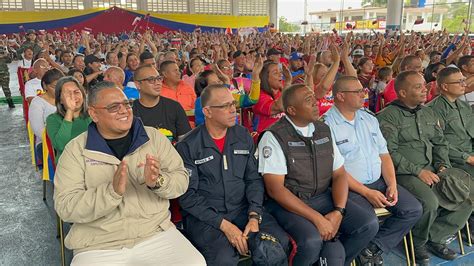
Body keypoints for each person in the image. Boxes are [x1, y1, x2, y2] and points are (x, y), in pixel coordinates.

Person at [53, 81, 205, 266]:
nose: (124, 110)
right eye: (113, 107)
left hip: (154, 233)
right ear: (94, 114)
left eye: (127, 104)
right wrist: (111, 192)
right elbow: (65, 207)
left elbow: (181, 180)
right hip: (97, 243)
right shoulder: (76, 150)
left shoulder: (153, 138)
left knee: (195, 262)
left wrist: (159, 181)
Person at [258, 83, 379, 266]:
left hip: (322, 196)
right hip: (290, 202)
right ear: (291, 109)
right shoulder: (274, 136)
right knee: (311, 241)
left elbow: (339, 174)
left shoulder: (323, 129)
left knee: (367, 224)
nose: (316, 103)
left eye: (314, 98)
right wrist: (318, 219)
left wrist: (339, 211)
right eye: (309, 100)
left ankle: (335, 257)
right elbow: (275, 190)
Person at [175, 84, 289, 265]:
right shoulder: (188, 146)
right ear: (207, 111)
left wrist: (254, 215)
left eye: (233, 104)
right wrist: (225, 226)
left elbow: (253, 179)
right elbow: (188, 197)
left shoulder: (242, 135)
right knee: (224, 258)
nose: (233, 110)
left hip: (243, 210)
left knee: (277, 243)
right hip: (207, 218)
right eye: (225, 106)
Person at [323, 76, 422, 265]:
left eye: (363, 90)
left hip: (379, 180)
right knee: (368, 223)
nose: (364, 94)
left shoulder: (369, 118)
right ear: (341, 96)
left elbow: (384, 155)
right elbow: (336, 170)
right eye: (358, 92)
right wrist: (367, 192)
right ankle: (342, 258)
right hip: (349, 187)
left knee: (413, 209)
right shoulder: (327, 125)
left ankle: (371, 248)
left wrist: (392, 184)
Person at [377, 70, 472, 263]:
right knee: (429, 202)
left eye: (424, 85)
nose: (425, 89)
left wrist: (443, 165)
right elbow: (389, 153)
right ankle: (417, 243)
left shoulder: (427, 113)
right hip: (404, 172)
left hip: (432, 167)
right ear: (402, 93)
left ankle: (435, 237)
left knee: (466, 193)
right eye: (418, 86)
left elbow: (440, 143)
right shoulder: (388, 116)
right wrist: (418, 171)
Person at [427, 67, 474, 196]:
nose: (464, 84)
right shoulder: (434, 109)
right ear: (445, 87)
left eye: (463, 80)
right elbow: (438, 143)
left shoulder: (464, 106)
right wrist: (468, 158)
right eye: (459, 82)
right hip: (455, 160)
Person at [132, 65, 191, 142]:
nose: (158, 83)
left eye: (159, 79)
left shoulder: (174, 107)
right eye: (151, 80)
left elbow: (185, 141)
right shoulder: (130, 111)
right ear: (138, 85)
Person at [46, 76, 91, 161]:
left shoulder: (93, 114)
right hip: (68, 164)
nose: (73, 97)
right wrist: (70, 111)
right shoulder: (53, 119)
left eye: (76, 92)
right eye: (68, 93)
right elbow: (61, 145)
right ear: (60, 100)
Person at [29, 69, 64, 151]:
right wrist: (57, 140)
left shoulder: (66, 99)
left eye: (61, 86)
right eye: (54, 87)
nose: (59, 90)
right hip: (46, 142)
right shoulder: (37, 103)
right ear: (45, 85)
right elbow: (39, 131)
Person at [0, 43, 14, 108]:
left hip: (4, 74)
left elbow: (9, 61)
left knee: (6, 89)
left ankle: (10, 103)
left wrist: (6, 55)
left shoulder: (3, 48)